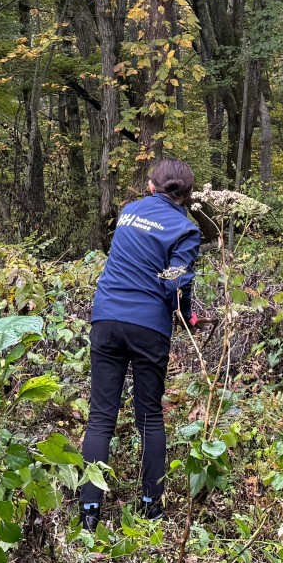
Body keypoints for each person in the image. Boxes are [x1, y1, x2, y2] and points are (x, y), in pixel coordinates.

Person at [79, 159, 203, 524]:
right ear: (187, 195)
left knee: (101, 416)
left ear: (151, 186)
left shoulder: (129, 213)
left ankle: (89, 512)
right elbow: (174, 280)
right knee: (149, 417)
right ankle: (151, 507)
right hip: (148, 327)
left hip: (106, 318)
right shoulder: (186, 229)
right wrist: (186, 314)